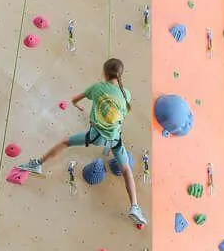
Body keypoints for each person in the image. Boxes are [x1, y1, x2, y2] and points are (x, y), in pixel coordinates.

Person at [16, 57, 146, 229]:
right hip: (114, 139)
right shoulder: (126, 93)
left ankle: (37, 164)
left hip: (94, 135)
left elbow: (75, 100)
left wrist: (80, 107)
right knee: (126, 169)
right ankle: (135, 207)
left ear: (104, 72)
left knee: (66, 142)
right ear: (121, 75)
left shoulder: (97, 88)